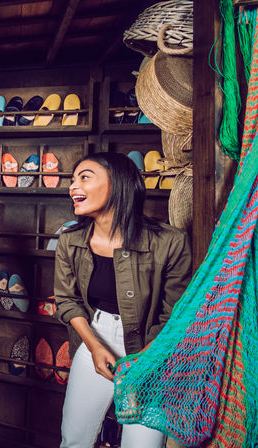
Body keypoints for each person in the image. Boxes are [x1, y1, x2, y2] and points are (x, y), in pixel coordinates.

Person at [54, 152, 192, 448]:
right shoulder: (70, 239)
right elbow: (66, 301)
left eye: (84, 177)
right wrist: (94, 348)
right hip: (95, 338)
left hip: (153, 351)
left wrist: (144, 361)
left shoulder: (170, 242)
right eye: (72, 180)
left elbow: (176, 316)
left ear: (117, 184)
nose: (72, 186)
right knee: (74, 440)